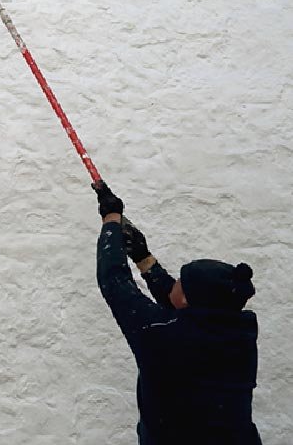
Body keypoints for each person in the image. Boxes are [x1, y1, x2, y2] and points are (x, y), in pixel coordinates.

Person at [93, 180, 262, 444]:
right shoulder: (237, 332)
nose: (174, 284)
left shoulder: (164, 335)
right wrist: (143, 257)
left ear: (186, 300)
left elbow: (114, 282)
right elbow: (180, 302)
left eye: (180, 283)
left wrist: (111, 219)